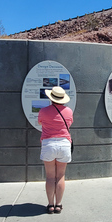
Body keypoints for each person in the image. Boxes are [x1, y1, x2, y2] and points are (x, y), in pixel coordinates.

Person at [37, 86, 73, 214]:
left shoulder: (43, 111)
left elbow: (40, 122)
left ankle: (50, 205)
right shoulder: (68, 111)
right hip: (64, 143)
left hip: (48, 143)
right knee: (60, 176)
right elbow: (69, 124)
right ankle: (58, 205)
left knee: (50, 176)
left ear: (51, 98)